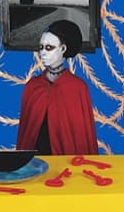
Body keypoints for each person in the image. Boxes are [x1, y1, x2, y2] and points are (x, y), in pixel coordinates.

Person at [14, 18, 98, 155]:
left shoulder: (78, 87)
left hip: (67, 160)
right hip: (36, 158)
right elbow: (26, 133)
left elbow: (83, 136)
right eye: (41, 47)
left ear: (63, 49)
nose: (43, 53)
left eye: (49, 48)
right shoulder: (32, 86)